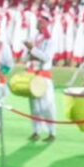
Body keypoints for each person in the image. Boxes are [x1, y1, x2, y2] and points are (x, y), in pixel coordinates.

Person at [24, 13, 57, 142]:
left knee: (47, 105)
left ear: (47, 24)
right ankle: (36, 131)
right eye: (38, 21)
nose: (38, 24)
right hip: (33, 74)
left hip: (44, 75)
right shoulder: (34, 37)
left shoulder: (50, 40)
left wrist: (33, 51)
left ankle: (52, 132)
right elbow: (26, 56)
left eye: (41, 22)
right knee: (34, 106)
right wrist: (29, 55)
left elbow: (47, 57)